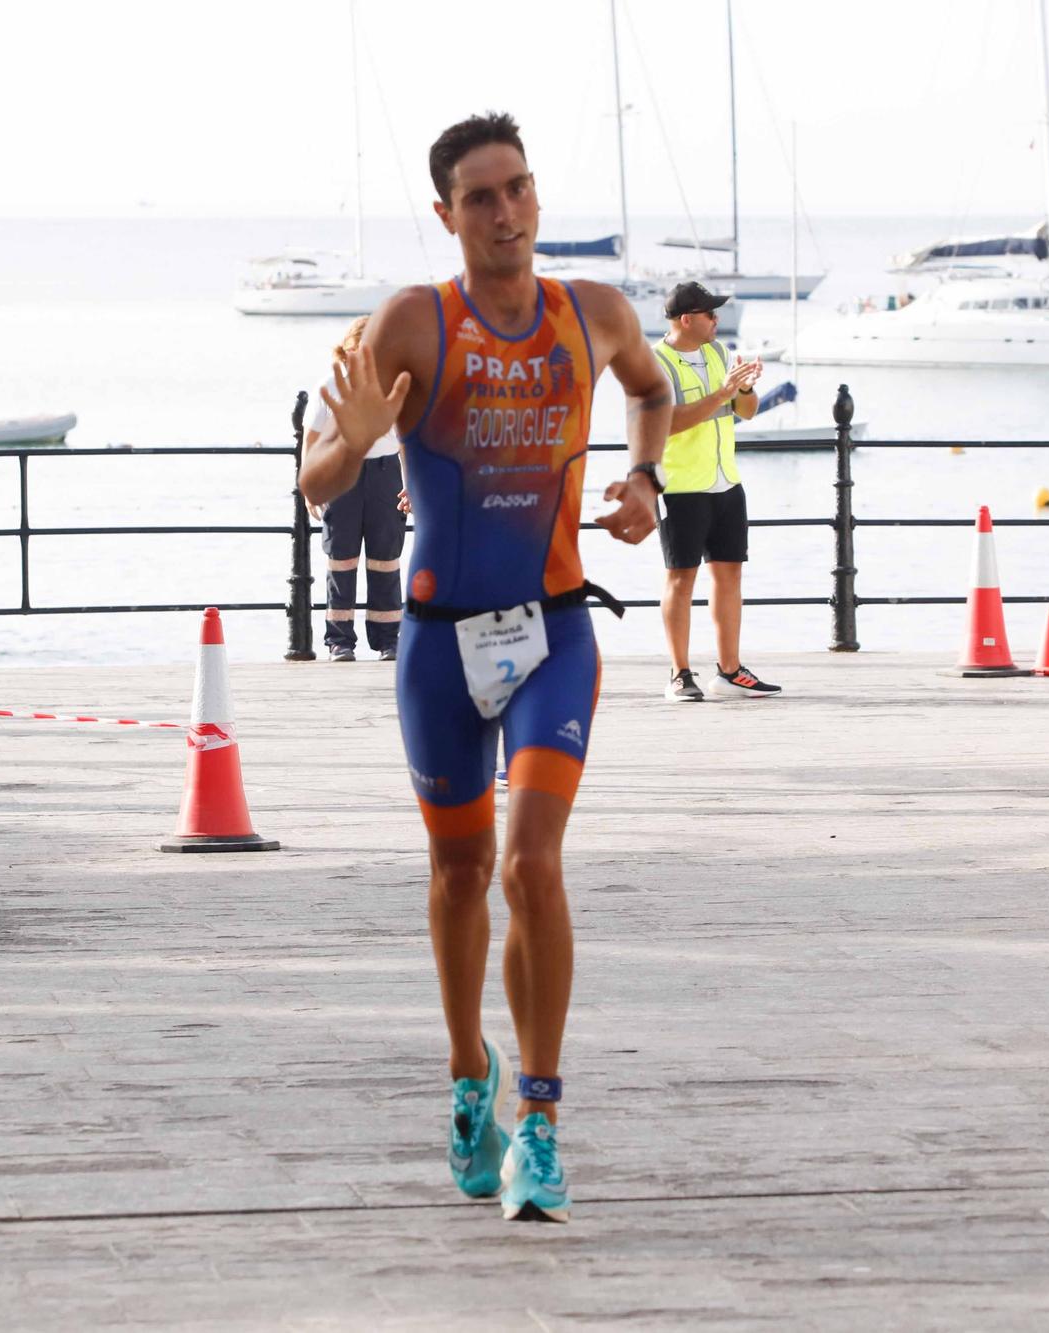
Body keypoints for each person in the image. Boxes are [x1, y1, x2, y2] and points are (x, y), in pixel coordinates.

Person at [299, 111, 672, 1223]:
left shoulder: (593, 313)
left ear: (535, 196)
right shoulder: (413, 323)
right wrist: (356, 437)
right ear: (445, 213)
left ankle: (544, 1125)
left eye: (517, 190)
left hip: (554, 628)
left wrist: (645, 485)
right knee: (460, 875)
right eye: (479, 197)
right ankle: (473, 1078)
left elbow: (651, 393)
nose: (504, 212)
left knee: (529, 867)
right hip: (436, 643)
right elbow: (318, 485)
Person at [649, 282, 780, 702]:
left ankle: (729, 671)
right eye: (710, 314)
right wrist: (722, 392)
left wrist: (743, 388)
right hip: (680, 487)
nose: (717, 321)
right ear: (687, 319)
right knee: (680, 579)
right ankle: (679, 674)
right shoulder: (654, 363)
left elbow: (747, 412)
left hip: (726, 482)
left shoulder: (719, 354)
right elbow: (667, 422)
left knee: (729, 574)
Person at [305, 316, 405, 661]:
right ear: (346, 351)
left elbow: (407, 440)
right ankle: (339, 641)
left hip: (384, 474)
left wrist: (412, 485)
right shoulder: (329, 387)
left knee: (386, 559)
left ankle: (389, 640)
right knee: (341, 560)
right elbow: (313, 439)